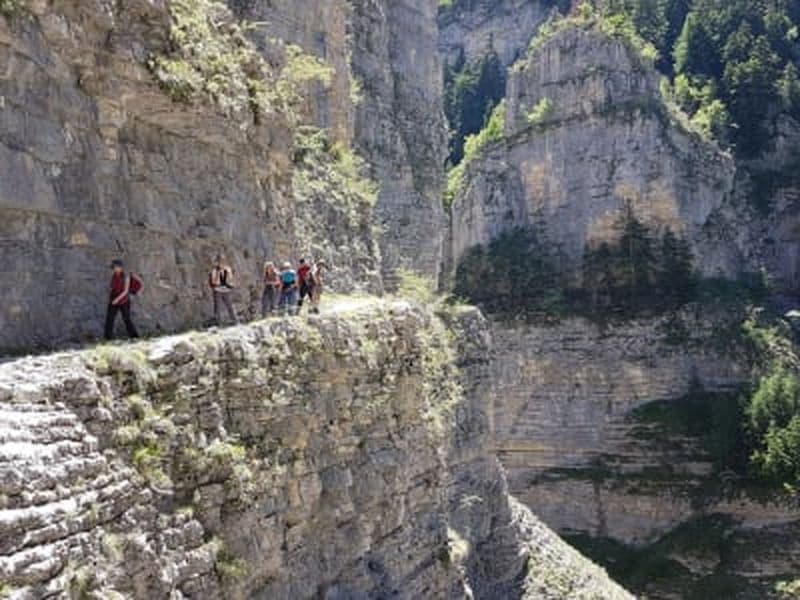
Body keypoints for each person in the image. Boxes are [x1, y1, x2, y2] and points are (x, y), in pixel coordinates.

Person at [104, 259, 139, 340]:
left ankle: (134, 336)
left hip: (124, 299)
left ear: (121, 267)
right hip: (113, 297)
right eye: (113, 267)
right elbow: (112, 287)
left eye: (116, 267)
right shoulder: (114, 275)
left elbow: (126, 291)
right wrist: (112, 299)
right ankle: (107, 338)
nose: (114, 269)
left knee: (126, 318)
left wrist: (117, 299)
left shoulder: (126, 276)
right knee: (110, 318)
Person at [209, 254, 239, 326]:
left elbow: (230, 279)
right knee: (218, 307)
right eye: (220, 261)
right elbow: (213, 282)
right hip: (217, 290)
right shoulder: (214, 270)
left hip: (226, 290)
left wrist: (229, 280)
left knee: (230, 306)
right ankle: (219, 323)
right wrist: (218, 273)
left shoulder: (228, 269)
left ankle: (235, 321)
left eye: (222, 261)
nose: (221, 262)